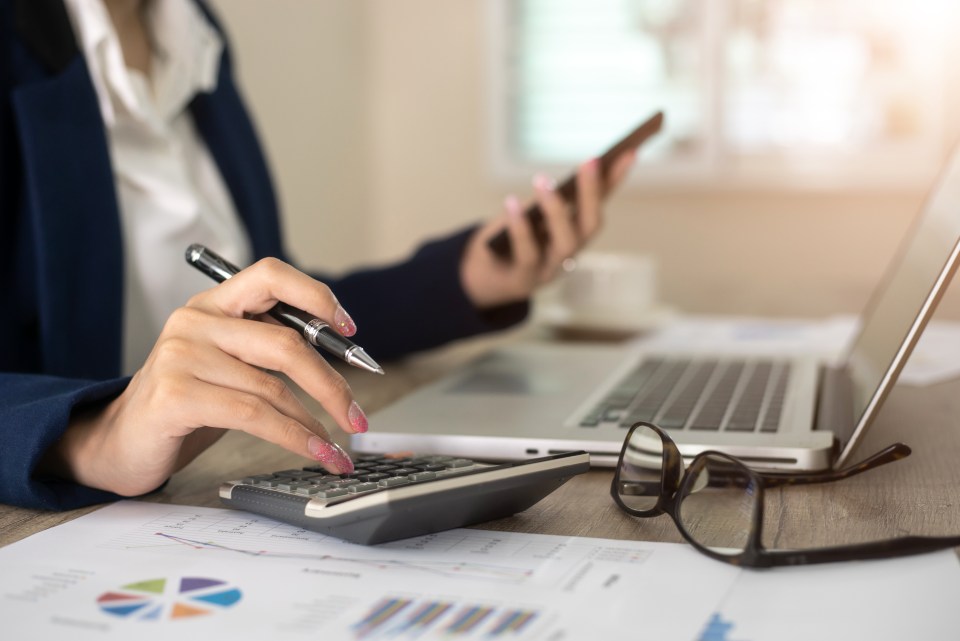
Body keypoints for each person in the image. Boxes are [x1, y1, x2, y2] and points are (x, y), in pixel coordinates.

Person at [0, 0, 637, 511]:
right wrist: (92, 435)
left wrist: (470, 277)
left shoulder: (195, 35)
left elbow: (278, 312)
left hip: (219, 477)